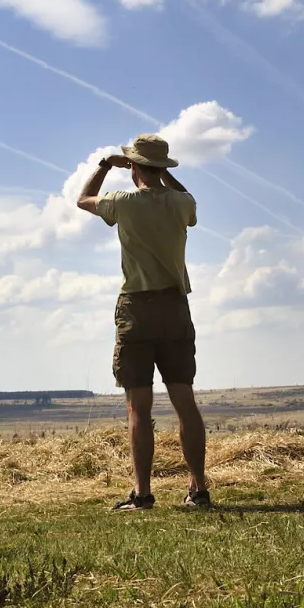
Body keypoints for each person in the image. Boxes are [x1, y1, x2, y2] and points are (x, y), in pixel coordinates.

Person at [76, 133, 210, 510]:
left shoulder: (123, 203)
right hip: (175, 306)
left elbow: (82, 199)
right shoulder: (182, 202)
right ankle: (198, 489)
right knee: (185, 400)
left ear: (133, 166)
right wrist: (164, 178)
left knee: (139, 406)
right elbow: (189, 202)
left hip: (136, 307)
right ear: (163, 169)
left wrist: (105, 165)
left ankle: (143, 493)